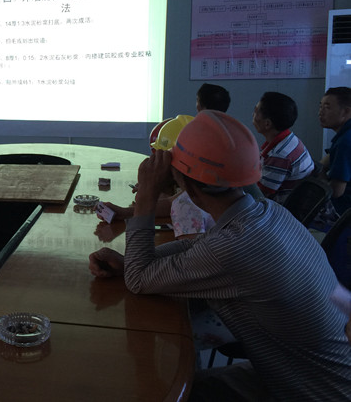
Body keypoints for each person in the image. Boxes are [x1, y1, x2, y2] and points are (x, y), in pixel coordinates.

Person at [89, 111, 351, 401]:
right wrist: (133, 262)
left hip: (310, 393)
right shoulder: (269, 213)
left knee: (168, 393)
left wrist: (147, 195)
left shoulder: (234, 247)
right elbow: (201, 247)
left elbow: (139, 280)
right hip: (309, 375)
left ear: (186, 186)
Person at [252, 91, 315, 203]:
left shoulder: (280, 154)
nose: (253, 115)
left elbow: (261, 194)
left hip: (281, 207)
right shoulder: (289, 139)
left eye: (256, 111)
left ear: (267, 124)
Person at [319, 87, 351, 218]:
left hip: (343, 213)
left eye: (327, 107)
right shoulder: (345, 136)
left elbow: (336, 192)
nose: (321, 112)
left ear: (346, 111)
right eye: (320, 106)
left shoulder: (345, 142)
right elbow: (326, 160)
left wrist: (319, 172)